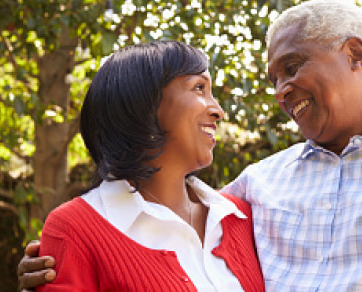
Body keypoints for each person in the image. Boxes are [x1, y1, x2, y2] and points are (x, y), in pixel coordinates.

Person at [18, 0, 362, 291]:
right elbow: (157, 220)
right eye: (274, 80)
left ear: (354, 54)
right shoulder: (255, 188)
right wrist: (59, 261)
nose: (281, 92)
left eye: (292, 67)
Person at [25, 40, 264, 291]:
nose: (218, 111)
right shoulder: (75, 228)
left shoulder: (241, 217)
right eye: (199, 88)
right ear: (143, 104)